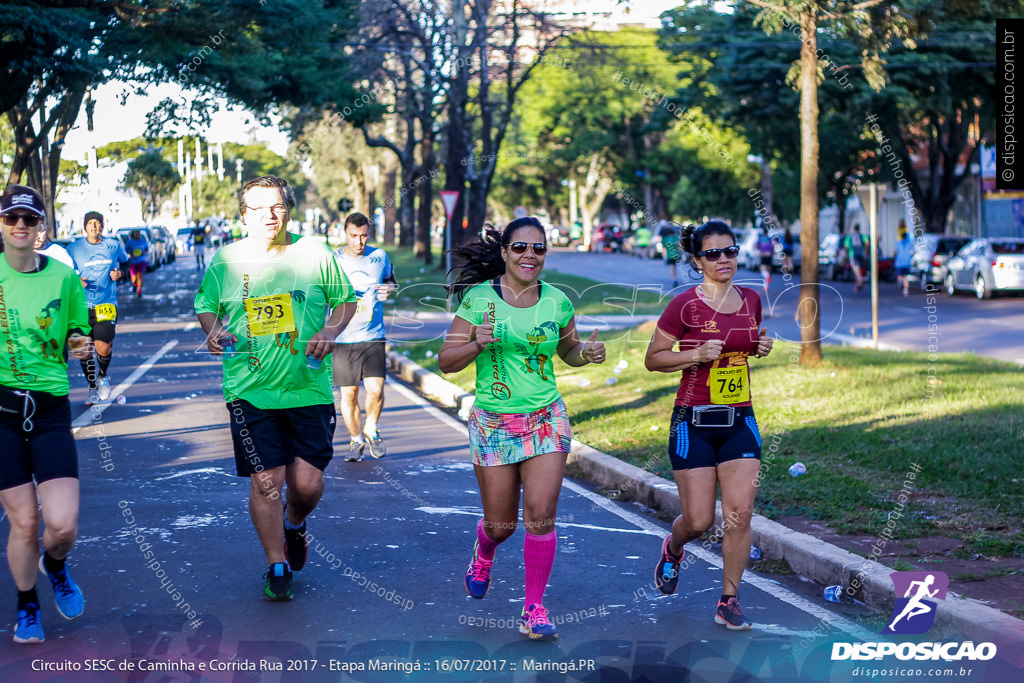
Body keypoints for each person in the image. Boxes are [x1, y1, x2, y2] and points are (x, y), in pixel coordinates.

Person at [438, 216, 606, 641]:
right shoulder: (479, 299)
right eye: (520, 247)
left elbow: (567, 350)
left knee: (541, 517)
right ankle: (485, 548)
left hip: (546, 418)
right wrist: (477, 342)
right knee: (502, 526)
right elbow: (446, 360)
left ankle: (534, 608)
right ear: (504, 253)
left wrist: (586, 352)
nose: (530, 255)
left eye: (538, 248)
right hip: (494, 421)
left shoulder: (558, 301)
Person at [194, 176, 356, 602]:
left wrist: (330, 328)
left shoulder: (315, 252)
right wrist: (214, 333)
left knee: (305, 485)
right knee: (267, 482)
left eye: (277, 206)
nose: (269, 214)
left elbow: (345, 300)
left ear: (289, 208)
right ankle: (276, 564)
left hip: (309, 387)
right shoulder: (226, 259)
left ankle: (295, 524)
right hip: (249, 390)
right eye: (259, 208)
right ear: (243, 215)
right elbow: (206, 307)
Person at [644, 220, 773, 632]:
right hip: (693, 422)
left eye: (731, 251)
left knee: (740, 513)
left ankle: (729, 600)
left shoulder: (751, 299)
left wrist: (759, 347)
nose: (724, 260)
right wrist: (695, 353)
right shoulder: (685, 305)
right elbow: (654, 358)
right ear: (698, 260)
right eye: (714, 254)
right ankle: (674, 546)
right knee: (698, 521)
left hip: (739, 418)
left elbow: (745, 343)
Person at [0, 185, 93, 644]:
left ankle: (54, 566)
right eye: (11, 218)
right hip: (1, 413)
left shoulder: (62, 277)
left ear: (40, 228)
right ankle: (27, 606)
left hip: (51, 410)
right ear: (0, 224)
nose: (20, 226)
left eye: (28, 220)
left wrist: (85, 352)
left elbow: (78, 330)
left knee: (61, 524)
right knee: (24, 522)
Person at [333, 212, 397, 462]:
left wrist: (388, 289)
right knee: (349, 394)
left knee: (376, 389)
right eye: (353, 236)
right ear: (345, 233)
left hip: (373, 335)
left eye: (363, 236)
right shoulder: (334, 259)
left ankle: (371, 428)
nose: (359, 242)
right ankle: (355, 438)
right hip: (343, 337)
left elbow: (391, 280)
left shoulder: (379, 256)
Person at [67, 211, 129, 406]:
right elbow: (64, 274)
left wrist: (120, 274)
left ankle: (102, 376)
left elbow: (126, 265)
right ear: (84, 227)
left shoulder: (113, 245)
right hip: (79, 307)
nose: (94, 226)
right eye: (90, 223)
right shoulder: (73, 248)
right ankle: (92, 386)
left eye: (97, 223)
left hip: (106, 304)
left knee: (103, 346)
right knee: (82, 350)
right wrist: (76, 281)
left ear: (102, 225)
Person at [123, 229, 149, 297]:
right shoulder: (130, 242)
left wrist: (144, 253)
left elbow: (146, 249)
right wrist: (131, 255)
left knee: (139, 276)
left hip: (141, 260)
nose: (137, 234)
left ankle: (139, 291)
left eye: (138, 233)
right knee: (134, 279)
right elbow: (125, 250)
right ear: (133, 234)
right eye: (136, 233)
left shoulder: (143, 241)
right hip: (133, 262)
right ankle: (135, 285)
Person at [658, 220, 682, 289]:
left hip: (669, 256)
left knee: (672, 267)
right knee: (675, 267)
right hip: (676, 255)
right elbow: (679, 247)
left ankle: (674, 279)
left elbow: (663, 247)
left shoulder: (665, 239)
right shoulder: (676, 238)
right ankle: (675, 278)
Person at [844, 224, 868, 292]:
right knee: (858, 270)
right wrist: (865, 250)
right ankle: (857, 285)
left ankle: (860, 281)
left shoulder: (850, 236)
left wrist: (847, 254)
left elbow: (846, 246)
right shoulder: (862, 235)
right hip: (861, 254)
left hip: (853, 255)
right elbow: (867, 243)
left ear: (854, 229)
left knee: (856, 270)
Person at [893, 221, 914, 297]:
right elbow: (912, 252)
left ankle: (900, 283)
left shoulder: (898, 243)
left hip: (899, 262)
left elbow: (895, 252)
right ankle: (905, 289)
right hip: (907, 262)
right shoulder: (909, 243)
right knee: (905, 277)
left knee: (900, 276)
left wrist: (893, 257)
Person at [756, 225, 774, 295]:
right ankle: (766, 283)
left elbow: (756, 245)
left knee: (763, 270)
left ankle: (766, 284)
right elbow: (773, 245)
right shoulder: (770, 238)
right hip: (769, 255)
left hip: (763, 255)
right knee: (768, 270)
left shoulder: (760, 238)